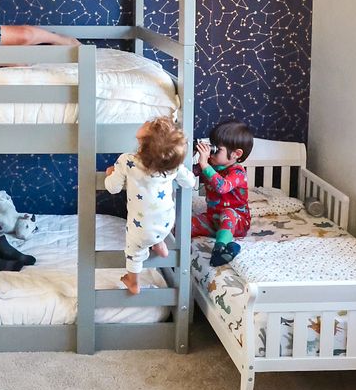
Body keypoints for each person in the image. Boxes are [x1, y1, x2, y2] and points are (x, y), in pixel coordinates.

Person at [105, 116, 196, 295]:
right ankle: (158, 243)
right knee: (154, 221)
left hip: (140, 231)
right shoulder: (171, 165)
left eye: (150, 126)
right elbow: (190, 183)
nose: (147, 121)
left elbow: (112, 188)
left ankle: (133, 282)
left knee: (133, 252)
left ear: (144, 142)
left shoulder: (127, 161)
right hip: (166, 224)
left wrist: (110, 173)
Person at [192, 120, 254, 267]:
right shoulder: (212, 165)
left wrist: (205, 165)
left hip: (237, 222)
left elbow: (222, 186)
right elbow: (188, 173)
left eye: (217, 149)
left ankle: (220, 249)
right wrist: (193, 154)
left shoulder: (238, 172)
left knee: (228, 212)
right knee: (184, 225)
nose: (211, 152)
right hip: (213, 220)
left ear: (236, 154)